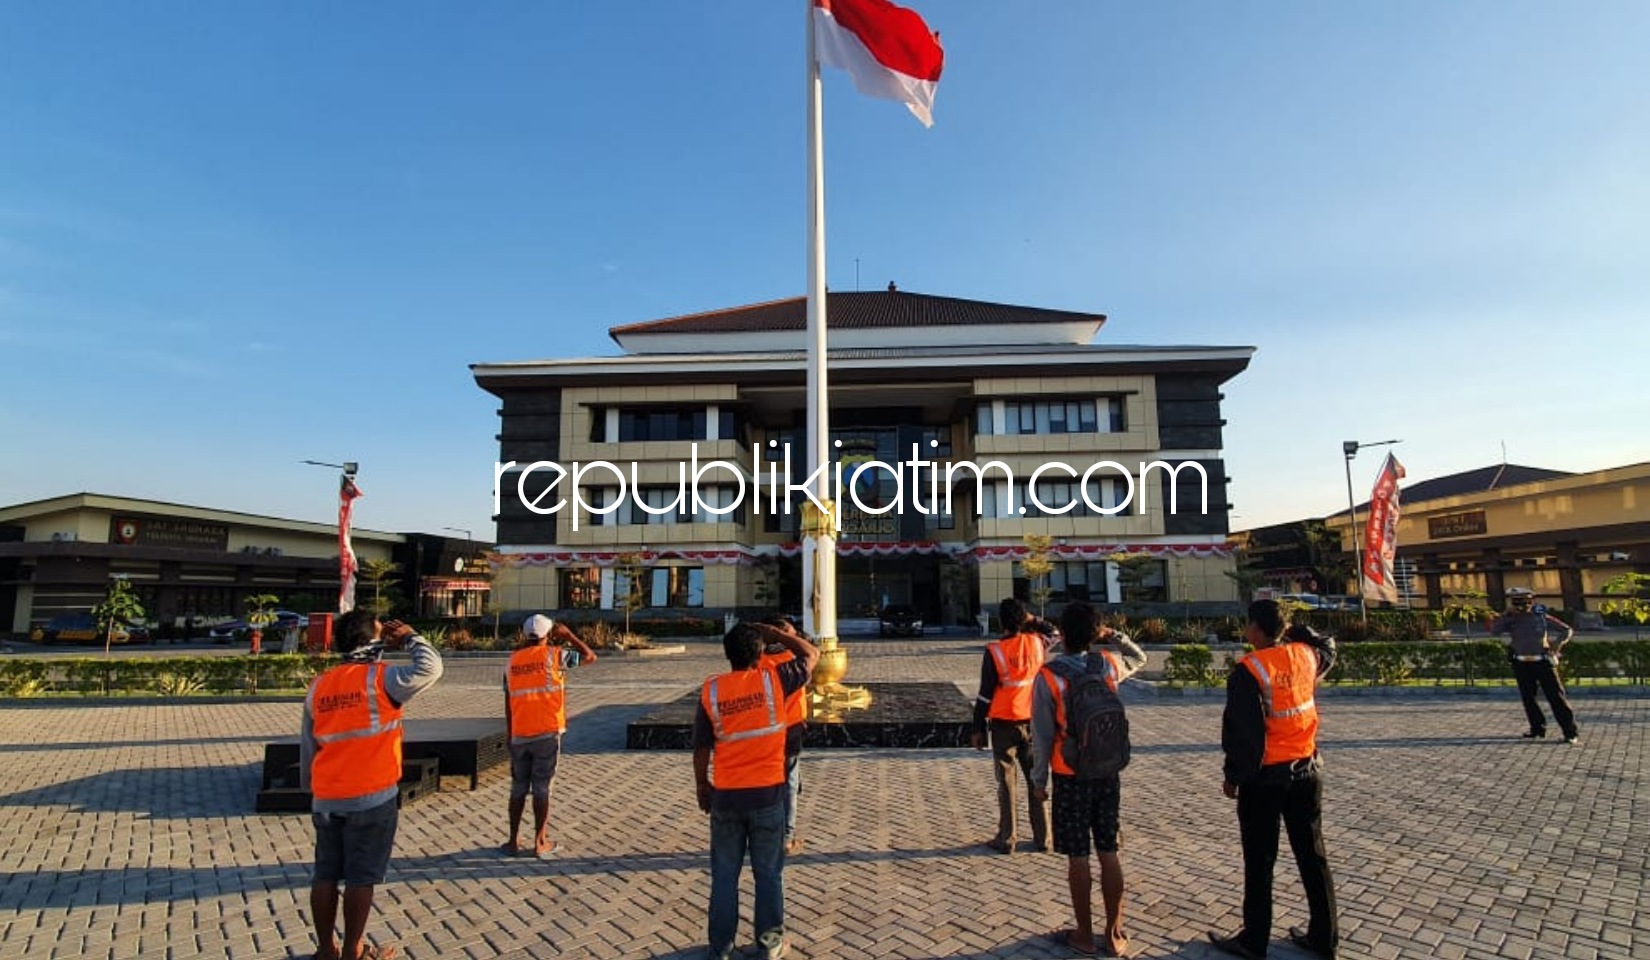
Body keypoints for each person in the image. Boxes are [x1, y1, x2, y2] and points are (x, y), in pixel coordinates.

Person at [301, 610, 443, 960]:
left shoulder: (320, 684)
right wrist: (410, 635)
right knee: (361, 878)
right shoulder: (382, 680)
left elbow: (308, 744)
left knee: (325, 874)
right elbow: (432, 667)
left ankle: (324, 950)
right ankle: (353, 950)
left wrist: (312, 789)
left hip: (327, 796)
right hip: (371, 796)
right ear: (370, 641)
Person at [1209, 603, 1339, 960]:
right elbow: (1328, 646)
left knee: (1260, 859)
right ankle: (1324, 937)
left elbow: (1243, 734)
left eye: (1247, 625)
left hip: (1265, 778)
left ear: (1255, 629)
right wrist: (1297, 632)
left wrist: (1233, 776)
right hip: (1308, 769)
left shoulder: (1250, 669)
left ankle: (1255, 940)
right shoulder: (1306, 655)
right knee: (1313, 856)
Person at [694, 620, 820, 960]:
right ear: (761, 652)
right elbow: (813, 654)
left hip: (726, 797)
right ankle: (769, 944)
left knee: (723, 875)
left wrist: (701, 785)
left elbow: (701, 746)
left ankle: (720, 947)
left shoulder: (713, 690)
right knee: (768, 874)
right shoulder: (774, 681)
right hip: (767, 795)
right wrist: (780, 634)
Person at [1031, 601, 1146, 957]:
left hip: (1070, 775)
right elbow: (1140, 658)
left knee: (1078, 856)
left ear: (1061, 634)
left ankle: (1083, 933)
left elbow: (1043, 735)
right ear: (1096, 633)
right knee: (1108, 851)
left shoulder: (1050, 676)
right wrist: (1115, 636)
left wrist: (1038, 781)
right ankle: (1114, 933)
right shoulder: (1108, 665)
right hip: (1107, 770)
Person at [503, 614, 598, 857]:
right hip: (546, 731)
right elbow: (590, 657)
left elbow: (508, 700)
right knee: (542, 788)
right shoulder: (556, 655)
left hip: (519, 732)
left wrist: (510, 732)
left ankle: (513, 840)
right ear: (549, 634)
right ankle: (539, 841)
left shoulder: (512, 661)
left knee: (518, 787)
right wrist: (569, 636)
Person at [972, 598, 1051, 854]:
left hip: (1004, 724)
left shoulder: (995, 651)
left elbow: (984, 695)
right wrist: (1032, 620)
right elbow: (1055, 631)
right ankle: (1044, 837)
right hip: (1034, 722)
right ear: (1024, 619)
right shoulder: (1038, 643)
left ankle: (1007, 838)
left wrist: (978, 729)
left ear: (1000, 622)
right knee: (1035, 780)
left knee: (1006, 783)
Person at [1487, 587, 1579, 743]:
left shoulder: (1540, 617)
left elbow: (1567, 630)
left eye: (1523, 602)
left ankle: (1570, 732)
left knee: (1556, 698)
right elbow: (1494, 631)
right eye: (1516, 602)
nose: (1520, 606)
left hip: (1542, 661)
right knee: (1529, 698)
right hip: (1521, 662)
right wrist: (1504, 615)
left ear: (1531, 602)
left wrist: (1557, 644)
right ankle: (1537, 729)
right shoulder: (1511, 619)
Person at [760, 616, 809, 855]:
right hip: (788, 729)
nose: (796, 635)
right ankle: (786, 837)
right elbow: (812, 653)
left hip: (764, 731)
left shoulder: (756, 661)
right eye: (791, 632)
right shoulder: (792, 660)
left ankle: (766, 834)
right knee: (789, 784)